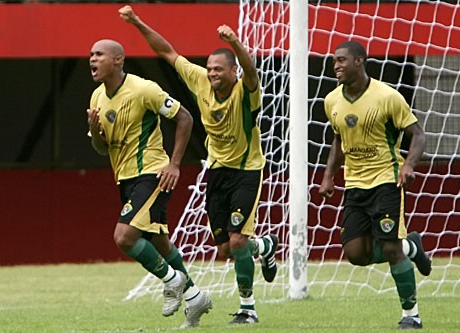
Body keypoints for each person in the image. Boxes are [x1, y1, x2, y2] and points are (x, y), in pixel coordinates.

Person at [119, 5, 279, 324]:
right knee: (225, 249)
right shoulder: (200, 80)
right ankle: (265, 245)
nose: (212, 73)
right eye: (209, 68)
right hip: (216, 172)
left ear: (233, 72)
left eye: (219, 69)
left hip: (246, 172)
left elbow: (251, 71)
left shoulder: (247, 93)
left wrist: (234, 42)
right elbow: (167, 51)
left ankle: (248, 308)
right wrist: (137, 22)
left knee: (237, 241)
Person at [86, 39, 212, 329]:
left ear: (117, 60)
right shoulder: (96, 98)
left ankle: (172, 279)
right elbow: (102, 149)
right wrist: (95, 133)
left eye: (99, 54)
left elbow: (185, 117)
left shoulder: (144, 89)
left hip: (153, 174)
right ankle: (195, 298)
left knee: (124, 237)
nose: (92, 59)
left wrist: (175, 163)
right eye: (91, 55)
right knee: (160, 243)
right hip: (125, 179)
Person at [318, 41, 432, 330]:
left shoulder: (387, 97)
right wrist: (329, 175)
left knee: (390, 247)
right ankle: (412, 247)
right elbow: (337, 140)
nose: (336, 66)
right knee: (355, 254)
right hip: (354, 186)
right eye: (334, 61)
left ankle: (411, 315)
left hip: (386, 181)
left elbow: (417, 135)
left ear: (359, 61)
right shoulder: (332, 100)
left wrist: (408, 165)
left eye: (342, 60)